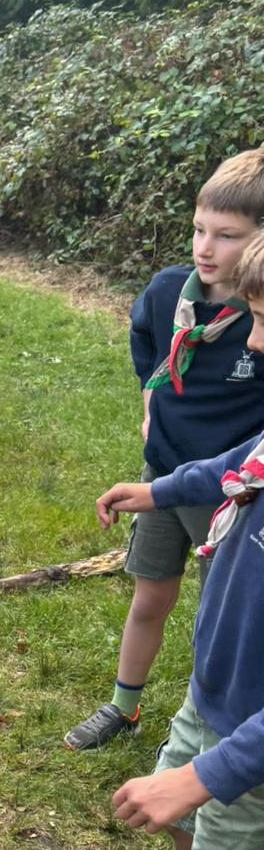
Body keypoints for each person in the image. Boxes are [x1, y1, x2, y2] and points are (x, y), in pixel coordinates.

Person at [81, 256, 264, 850]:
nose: (254, 340)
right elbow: (235, 464)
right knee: (199, 843)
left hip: (251, 742)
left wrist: (211, 772)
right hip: (221, 687)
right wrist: (158, 488)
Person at [65, 149, 264, 750]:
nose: (206, 248)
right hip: (162, 473)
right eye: (200, 229)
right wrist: (155, 402)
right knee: (150, 592)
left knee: (219, 613)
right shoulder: (164, 292)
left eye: (228, 236)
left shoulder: (258, 318)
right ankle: (125, 705)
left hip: (226, 493)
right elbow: (147, 346)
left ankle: (202, 726)